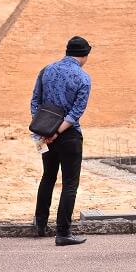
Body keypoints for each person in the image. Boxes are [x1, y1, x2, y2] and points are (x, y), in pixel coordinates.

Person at [31, 36, 93, 246]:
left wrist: (44, 129)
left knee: (48, 177)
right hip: (69, 136)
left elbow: (35, 101)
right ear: (85, 55)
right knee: (69, 184)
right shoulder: (83, 78)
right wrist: (57, 131)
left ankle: (40, 224)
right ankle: (63, 232)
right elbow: (76, 112)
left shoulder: (46, 70)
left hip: (44, 133)